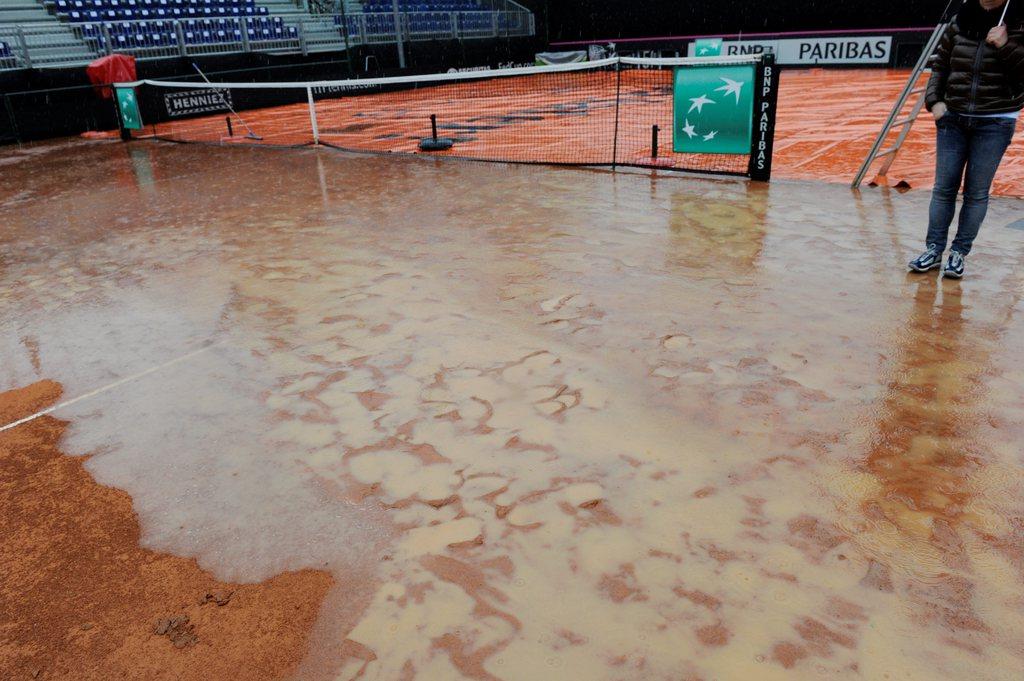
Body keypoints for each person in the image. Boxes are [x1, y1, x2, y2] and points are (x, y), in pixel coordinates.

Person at [909, 0, 1024, 278]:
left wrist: (1006, 44)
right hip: (953, 119)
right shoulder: (961, 19)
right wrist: (934, 102)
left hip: (995, 121)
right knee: (943, 188)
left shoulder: (1018, 22)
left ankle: (958, 254)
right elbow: (940, 65)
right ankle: (934, 250)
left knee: (976, 193)